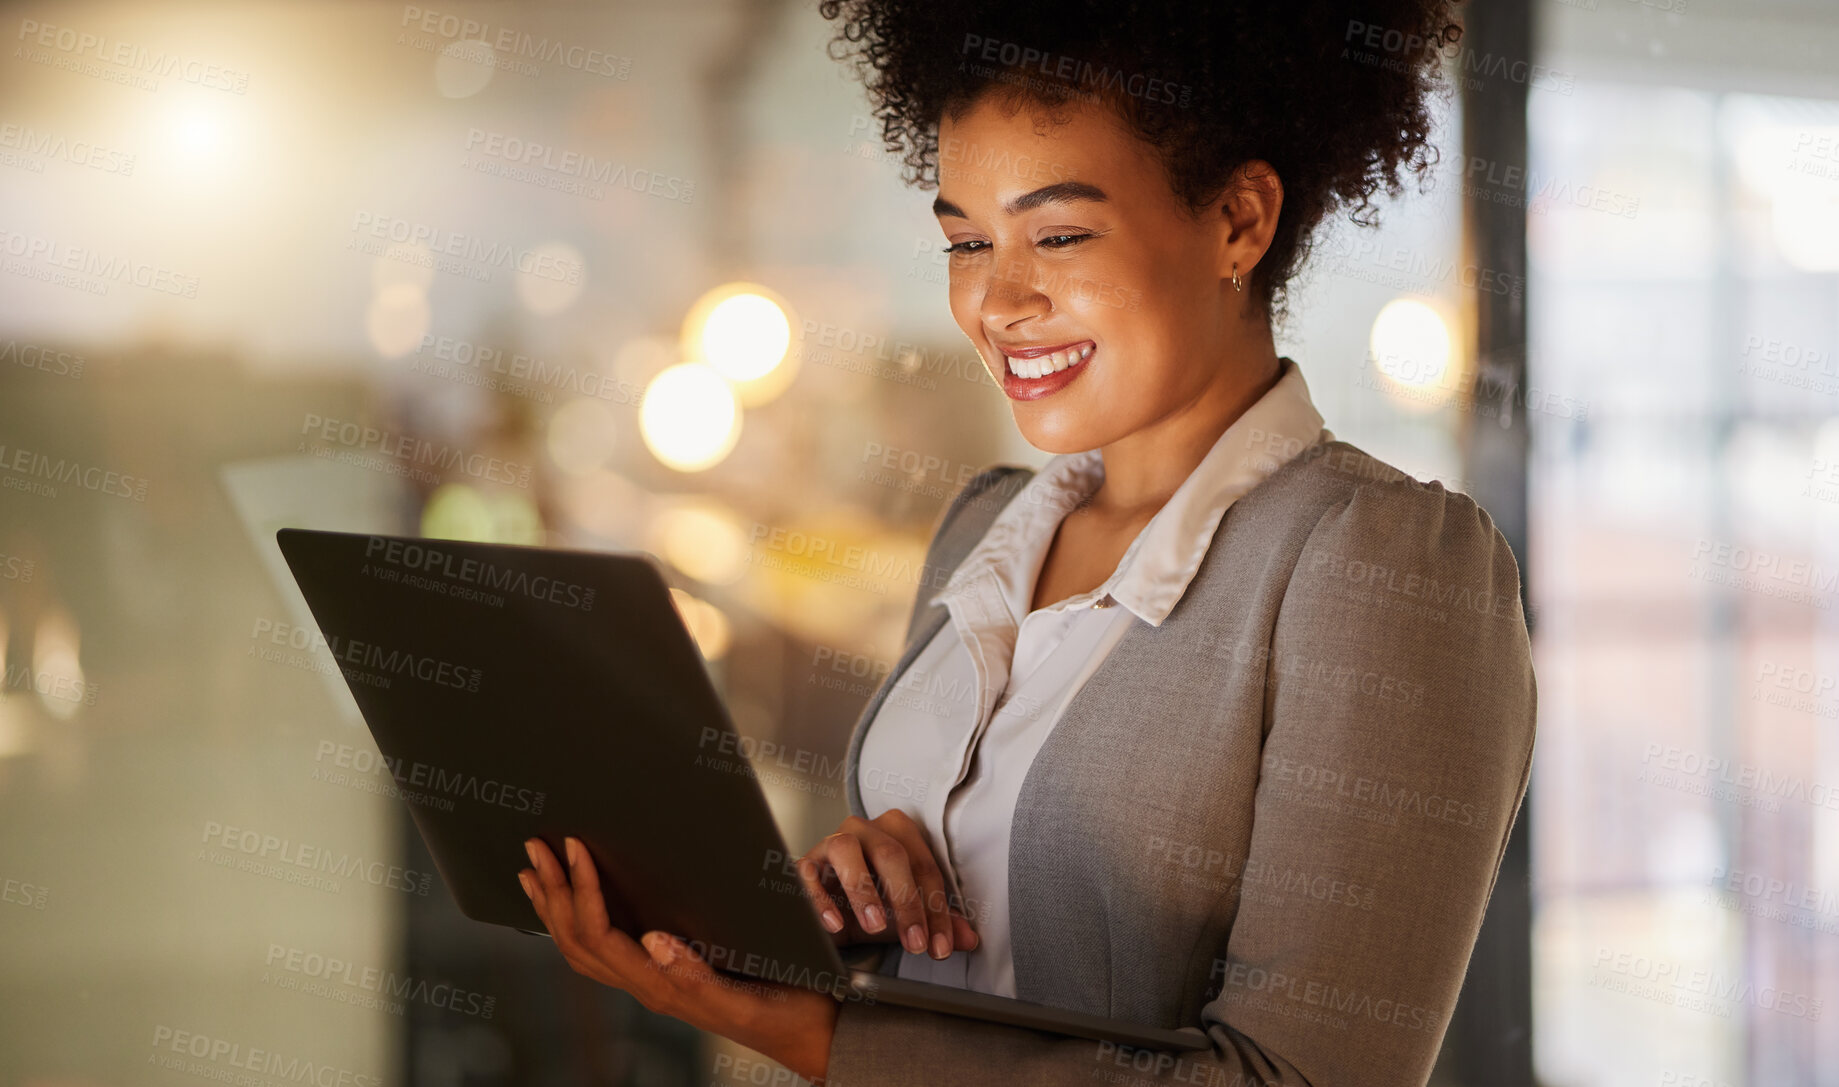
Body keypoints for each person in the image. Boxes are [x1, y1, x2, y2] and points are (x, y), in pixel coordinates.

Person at [517, 1, 1537, 1083]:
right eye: (966, 242)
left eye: (1058, 235)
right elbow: (967, 973)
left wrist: (819, 1038)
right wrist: (850, 916)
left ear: (1239, 219)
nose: (998, 301)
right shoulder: (983, 531)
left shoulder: (1381, 564)